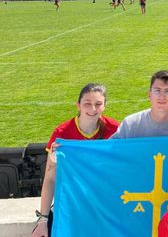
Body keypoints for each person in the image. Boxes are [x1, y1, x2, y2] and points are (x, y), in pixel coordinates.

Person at [32, 83, 119, 237]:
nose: (93, 109)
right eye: (87, 104)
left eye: (98, 104)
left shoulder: (116, 130)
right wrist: (43, 220)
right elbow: (50, 178)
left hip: (104, 203)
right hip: (72, 202)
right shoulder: (62, 133)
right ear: (78, 105)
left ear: (105, 106)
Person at [111, 70, 168, 139]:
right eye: (157, 90)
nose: (162, 97)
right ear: (149, 94)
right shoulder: (131, 125)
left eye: (167, 91)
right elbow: (110, 153)